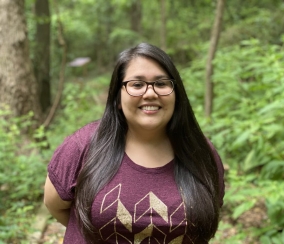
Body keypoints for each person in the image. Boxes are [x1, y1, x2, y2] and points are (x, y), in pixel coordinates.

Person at [44, 43, 225, 244]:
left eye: (161, 83)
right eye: (137, 85)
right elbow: (55, 205)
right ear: (117, 99)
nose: (150, 93)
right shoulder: (83, 145)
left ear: (176, 94)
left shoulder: (200, 152)